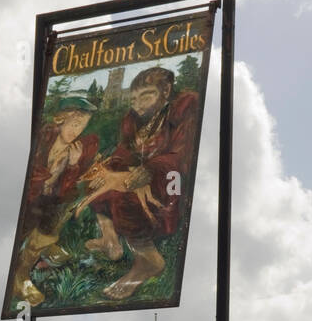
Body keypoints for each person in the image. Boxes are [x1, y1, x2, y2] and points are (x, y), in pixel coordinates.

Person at [76, 66, 199, 302]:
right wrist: (110, 168)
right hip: (138, 177)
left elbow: (181, 155)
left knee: (125, 198)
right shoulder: (133, 121)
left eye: (146, 95)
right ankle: (111, 241)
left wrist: (151, 169)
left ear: (165, 92)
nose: (138, 104)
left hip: (167, 185)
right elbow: (124, 153)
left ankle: (149, 261)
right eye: (134, 99)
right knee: (96, 182)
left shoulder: (181, 111)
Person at [12, 95, 99, 307]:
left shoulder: (74, 149)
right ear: (62, 119)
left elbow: (66, 190)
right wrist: (49, 176)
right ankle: (19, 275)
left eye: (82, 126)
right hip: (27, 200)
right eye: (74, 124)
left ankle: (30, 262)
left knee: (60, 209)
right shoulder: (43, 138)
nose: (77, 131)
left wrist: (72, 165)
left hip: (48, 202)